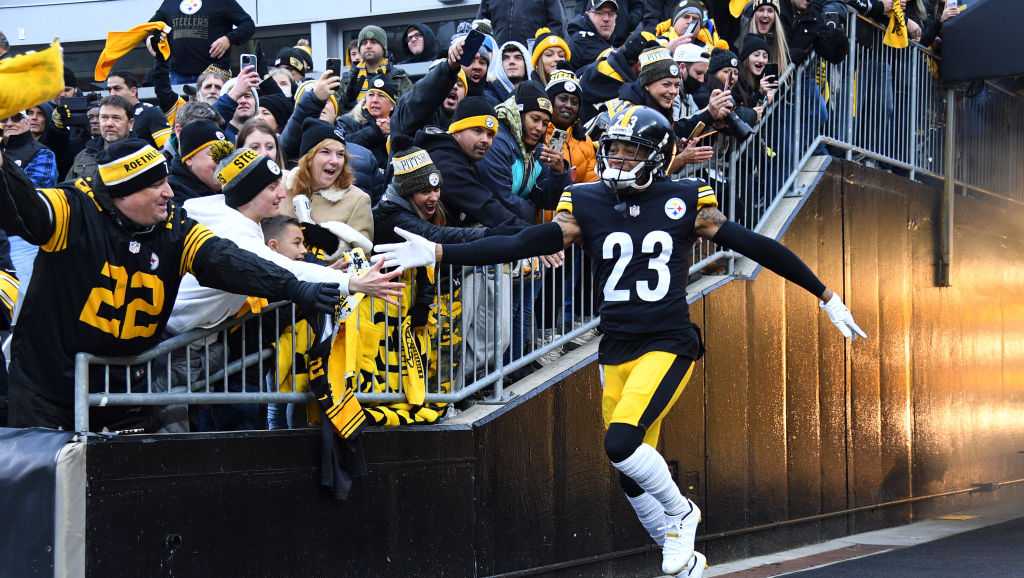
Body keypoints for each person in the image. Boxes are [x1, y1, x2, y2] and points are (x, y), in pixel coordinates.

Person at [375, 104, 867, 578]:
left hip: (668, 341)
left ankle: (682, 514)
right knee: (629, 469)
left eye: (631, 152)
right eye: (614, 150)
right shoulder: (586, 200)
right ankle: (681, 561)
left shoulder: (685, 198)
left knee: (621, 441)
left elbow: (754, 243)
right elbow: (525, 243)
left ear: (655, 154)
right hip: (614, 346)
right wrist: (441, 251)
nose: (619, 160)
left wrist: (823, 294)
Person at [0, 138, 348, 430]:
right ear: (125, 192)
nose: (168, 192)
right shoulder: (74, 209)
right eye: (155, 185)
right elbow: (22, 210)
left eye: (167, 181)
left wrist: (293, 287)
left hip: (124, 388)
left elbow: (227, 261)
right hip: (46, 391)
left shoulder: (174, 228)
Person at [417, 96, 529, 229]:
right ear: (456, 131)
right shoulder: (445, 162)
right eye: (477, 131)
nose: (485, 140)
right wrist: (533, 236)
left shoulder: (463, 158)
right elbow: (486, 207)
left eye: (490, 135)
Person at [281, 119, 374, 260]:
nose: (335, 161)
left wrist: (334, 245)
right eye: (325, 152)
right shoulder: (280, 185)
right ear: (308, 158)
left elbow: (363, 261)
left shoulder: (358, 200)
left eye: (340, 154)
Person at [1, 111, 57, 289]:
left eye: (16, 118)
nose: (9, 123)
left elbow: (29, 196)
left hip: (22, 240)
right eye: (4, 119)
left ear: (27, 121)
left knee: (20, 302)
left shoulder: (42, 153)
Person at [150, 0, 256, 85]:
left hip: (215, 73)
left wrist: (228, 39)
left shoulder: (222, 1)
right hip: (178, 75)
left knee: (215, 111)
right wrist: (150, 41)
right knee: (181, 112)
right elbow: (150, 28)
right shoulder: (170, 2)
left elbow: (248, 25)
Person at [391, 38, 470, 138]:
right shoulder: (411, 113)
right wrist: (449, 67)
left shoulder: (468, 126)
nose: (454, 87)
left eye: (459, 84)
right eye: (451, 83)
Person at [341, 25, 413, 111]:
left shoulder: (398, 77)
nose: (368, 46)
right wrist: (347, 103)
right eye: (364, 43)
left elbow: (410, 110)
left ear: (384, 48)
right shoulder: (347, 78)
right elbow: (334, 112)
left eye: (373, 42)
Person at [66, 95, 134, 181]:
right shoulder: (83, 155)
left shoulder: (143, 153)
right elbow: (68, 190)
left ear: (130, 123)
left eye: (116, 118)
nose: (109, 124)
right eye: (104, 118)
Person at [338, 75, 396, 168]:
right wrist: (376, 131)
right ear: (365, 101)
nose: (375, 100)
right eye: (371, 95)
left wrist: (393, 133)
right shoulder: (348, 121)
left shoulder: (401, 126)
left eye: (381, 96)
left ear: (392, 105)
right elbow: (341, 147)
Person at [168, 120, 232, 202]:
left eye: (227, 154)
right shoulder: (173, 192)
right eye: (214, 153)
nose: (224, 162)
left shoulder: (232, 186)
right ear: (189, 159)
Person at [477, 0, 567, 46]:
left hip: (534, 59)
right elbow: (481, 26)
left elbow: (557, 25)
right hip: (500, 59)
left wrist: (543, 51)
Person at [735, 0, 791, 73]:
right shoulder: (740, 45)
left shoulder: (781, 48)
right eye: (761, 10)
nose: (765, 15)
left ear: (775, 17)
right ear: (754, 14)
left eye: (770, 11)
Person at [733, 35, 778, 123]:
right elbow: (742, 113)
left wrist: (767, 99)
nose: (761, 60)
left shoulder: (763, 81)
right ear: (746, 57)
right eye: (756, 55)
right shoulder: (735, 80)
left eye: (765, 56)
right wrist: (759, 93)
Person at [568, 0, 619, 70]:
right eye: (600, 13)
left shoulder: (606, 40)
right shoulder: (581, 39)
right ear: (588, 15)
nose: (606, 19)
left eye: (611, 14)